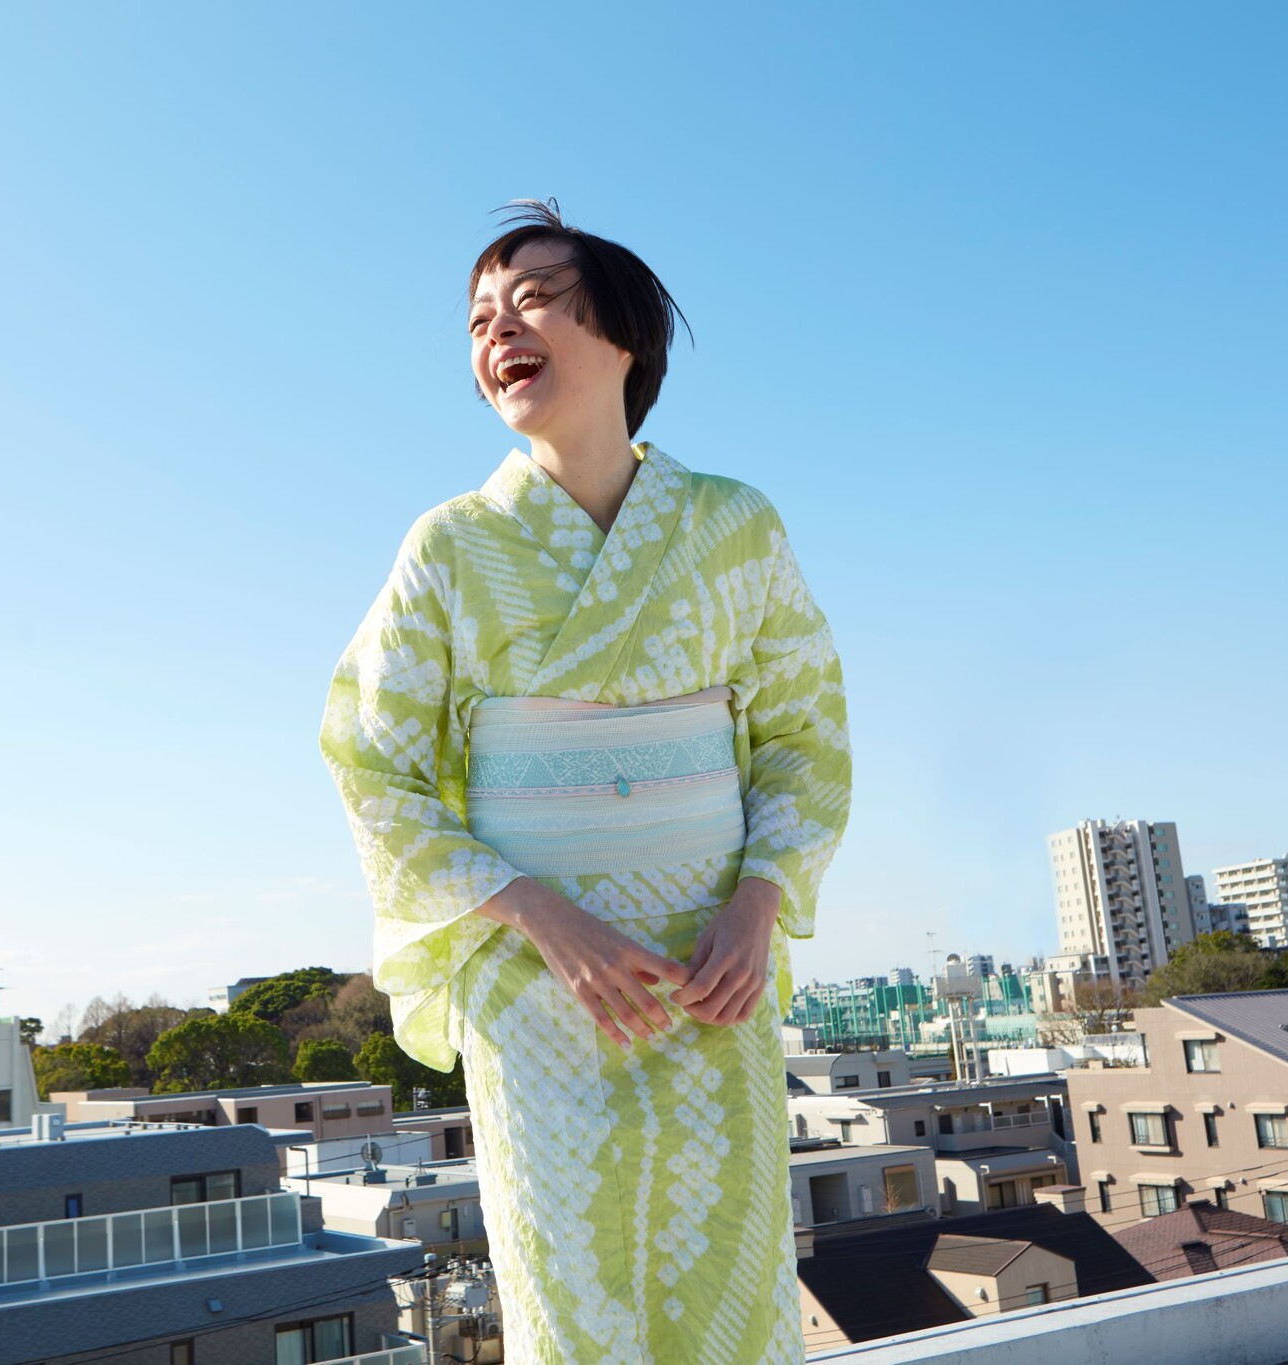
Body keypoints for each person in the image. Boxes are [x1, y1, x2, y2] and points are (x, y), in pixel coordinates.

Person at [320, 200, 850, 1364]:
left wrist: (758, 905)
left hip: (715, 968)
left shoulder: (732, 526)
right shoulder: (450, 547)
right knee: (571, 1300)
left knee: (734, 1279)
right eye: (476, 318)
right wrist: (535, 916)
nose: (497, 328)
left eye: (532, 297)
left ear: (623, 332)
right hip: (537, 987)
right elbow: (372, 761)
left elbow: (804, 736)